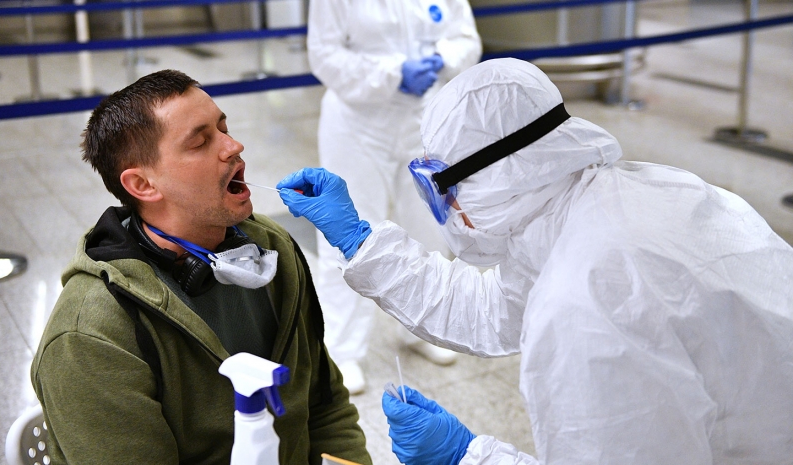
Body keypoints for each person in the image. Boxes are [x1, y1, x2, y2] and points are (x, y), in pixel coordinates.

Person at [275, 59, 793, 464]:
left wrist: (466, 456)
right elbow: (496, 309)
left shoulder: (587, 305)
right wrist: (361, 241)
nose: (447, 207)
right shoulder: (613, 200)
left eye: (441, 186)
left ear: (497, 177)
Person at [30, 70, 372, 465]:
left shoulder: (270, 247)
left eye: (223, 128)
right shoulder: (91, 336)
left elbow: (325, 408)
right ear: (143, 185)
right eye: (200, 142)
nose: (233, 146)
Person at [305, 0, 483, 393]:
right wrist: (393, 74)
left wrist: (442, 58)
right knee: (349, 229)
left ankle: (424, 328)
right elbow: (324, 54)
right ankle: (342, 349)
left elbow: (466, 39)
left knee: (430, 226)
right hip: (357, 121)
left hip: (426, 116)